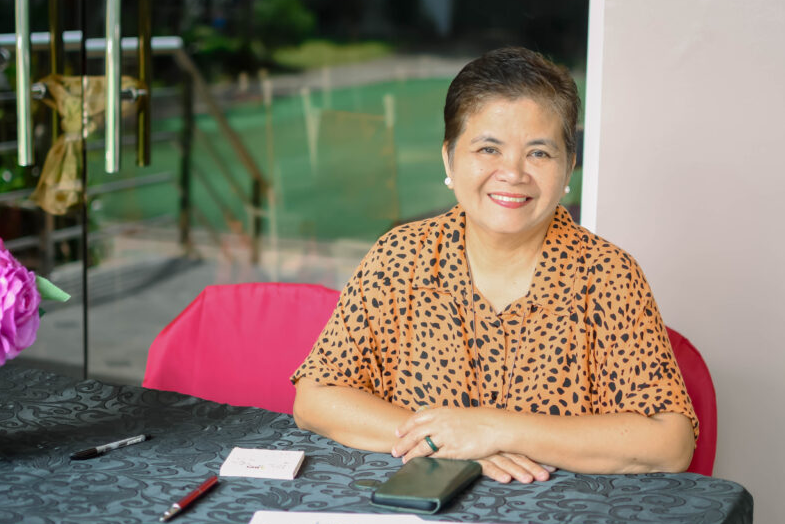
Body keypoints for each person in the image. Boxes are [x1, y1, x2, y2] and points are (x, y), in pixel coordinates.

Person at [292, 47, 697, 484]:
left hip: (558, 517)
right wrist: (447, 444)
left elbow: (669, 442)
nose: (513, 173)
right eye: (488, 148)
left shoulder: (608, 275)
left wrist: (493, 429)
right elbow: (315, 398)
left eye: (539, 153)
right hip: (419, 509)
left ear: (568, 169)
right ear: (449, 159)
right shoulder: (399, 257)